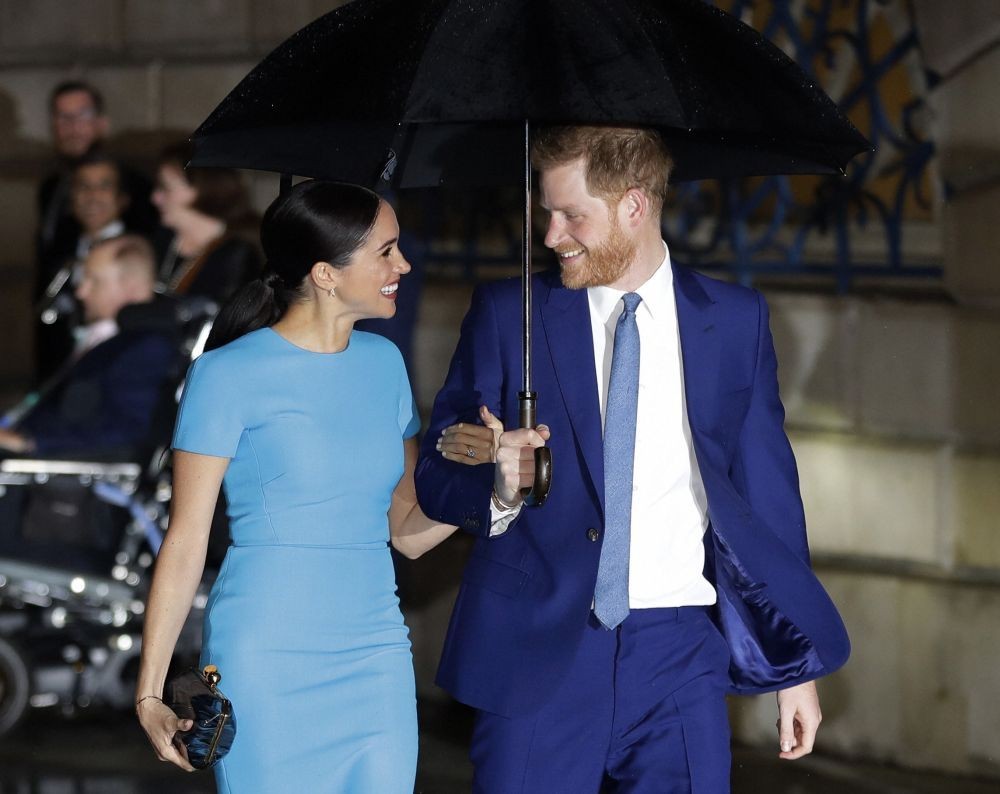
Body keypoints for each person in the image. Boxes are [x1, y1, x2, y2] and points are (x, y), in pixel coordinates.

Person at [415, 126, 850, 792]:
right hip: (537, 654)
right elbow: (438, 472)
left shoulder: (735, 320)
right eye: (546, 213)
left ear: (634, 206)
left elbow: (768, 495)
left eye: (571, 216)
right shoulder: (510, 314)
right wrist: (498, 485)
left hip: (681, 654)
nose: (552, 234)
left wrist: (797, 672)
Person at [134, 181, 479, 792]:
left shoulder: (384, 364)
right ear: (325, 273)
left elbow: (409, 533)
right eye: (387, 251)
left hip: (375, 653)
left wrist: (494, 482)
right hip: (266, 654)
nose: (404, 265)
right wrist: (150, 693)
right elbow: (185, 542)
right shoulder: (226, 374)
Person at [0, 234, 175, 458]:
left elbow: (128, 431)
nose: (81, 292)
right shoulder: (110, 338)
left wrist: (28, 442)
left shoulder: (147, 347)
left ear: (131, 287)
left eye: (94, 281)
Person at [35, 80, 158, 383]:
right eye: (63, 118)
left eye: (82, 116)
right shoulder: (51, 188)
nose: (72, 127)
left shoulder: (140, 192)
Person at [151, 142, 262, 303]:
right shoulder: (162, 238)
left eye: (166, 188)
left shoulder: (236, 254)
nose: (155, 198)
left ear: (203, 189)